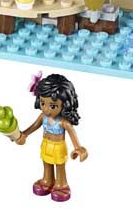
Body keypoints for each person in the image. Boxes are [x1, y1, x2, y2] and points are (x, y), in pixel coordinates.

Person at [15, 73, 87, 202]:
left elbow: (72, 134)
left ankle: (61, 184)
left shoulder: (63, 122)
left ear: (65, 105)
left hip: (58, 147)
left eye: (52, 106)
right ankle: (47, 180)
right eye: (43, 103)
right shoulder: (43, 117)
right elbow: (34, 126)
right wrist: (23, 134)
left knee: (60, 166)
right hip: (45, 144)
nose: (46, 109)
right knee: (46, 163)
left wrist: (78, 148)